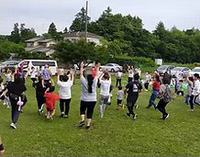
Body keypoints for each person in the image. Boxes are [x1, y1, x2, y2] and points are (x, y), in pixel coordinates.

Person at [79, 62, 99, 129]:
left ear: (87, 79)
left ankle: (82, 120)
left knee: (82, 110)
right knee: (90, 112)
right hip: (93, 100)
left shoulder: (84, 82)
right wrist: (97, 67)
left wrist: (82, 67)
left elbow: (81, 74)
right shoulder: (94, 83)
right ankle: (88, 125)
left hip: (84, 99)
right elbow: (97, 75)